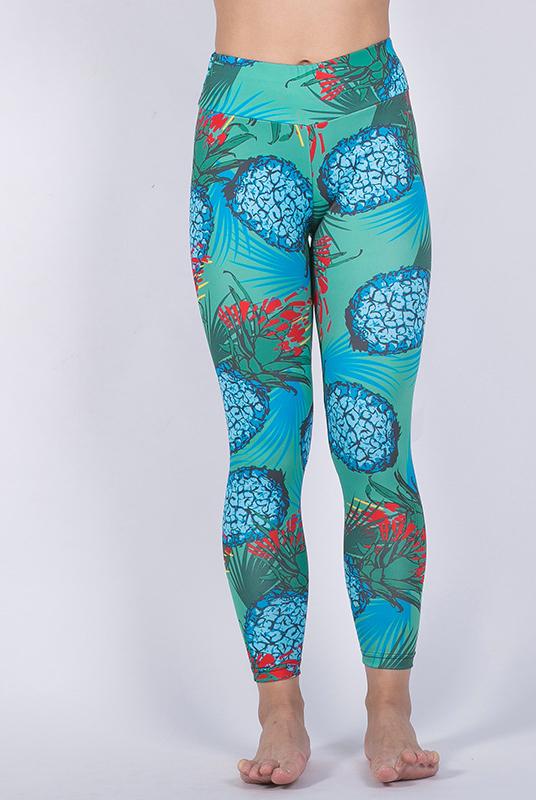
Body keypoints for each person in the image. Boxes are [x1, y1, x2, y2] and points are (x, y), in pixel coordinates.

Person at [189, 0, 438, 785]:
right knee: (262, 448)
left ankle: (390, 705)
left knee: (376, 446)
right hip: (240, 122)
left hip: (371, 115)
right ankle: (280, 710)